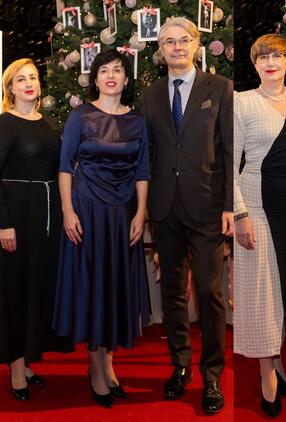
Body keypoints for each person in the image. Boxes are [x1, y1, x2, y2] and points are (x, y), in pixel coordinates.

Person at [141, 17, 232, 415]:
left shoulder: (221, 88)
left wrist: (230, 206)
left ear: (196, 45)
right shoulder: (150, 95)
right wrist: (143, 209)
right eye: (168, 42)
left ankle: (211, 374)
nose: (176, 47)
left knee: (210, 293)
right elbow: (146, 154)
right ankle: (180, 365)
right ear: (160, 50)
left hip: (208, 206)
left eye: (183, 40)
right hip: (164, 208)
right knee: (173, 292)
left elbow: (230, 148)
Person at [52, 49, 150, 409]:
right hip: (87, 211)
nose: (111, 75)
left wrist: (141, 213)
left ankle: (108, 365)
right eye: (104, 70)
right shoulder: (80, 116)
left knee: (114, 287)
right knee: (93, 287)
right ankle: (96, 368)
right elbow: (65, 167)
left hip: (123, 214)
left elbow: (142, 171)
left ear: (126, 78)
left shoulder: (138, 120)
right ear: (95, 79)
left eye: (118, 70)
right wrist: (67, 211)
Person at [234, 33, 286, 418]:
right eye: (262, 57)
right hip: (256, 206)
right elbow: (228, 164)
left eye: (277, 57)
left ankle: (279, 362)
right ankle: (266, 373)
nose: (270, 63)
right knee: (262, 296)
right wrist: (239, 214)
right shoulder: (242, 102)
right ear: (255, 64)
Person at [0, 58, 73, 402]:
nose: (29, 83)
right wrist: (4, 223)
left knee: (37, 289)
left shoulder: (50, 123)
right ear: (10, 88)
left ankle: (28, 359)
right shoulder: (4, 123)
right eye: (21, 79)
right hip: (16, 216)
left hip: (47, 217)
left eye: (33, 77)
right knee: (15, 291)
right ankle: (16, 367)